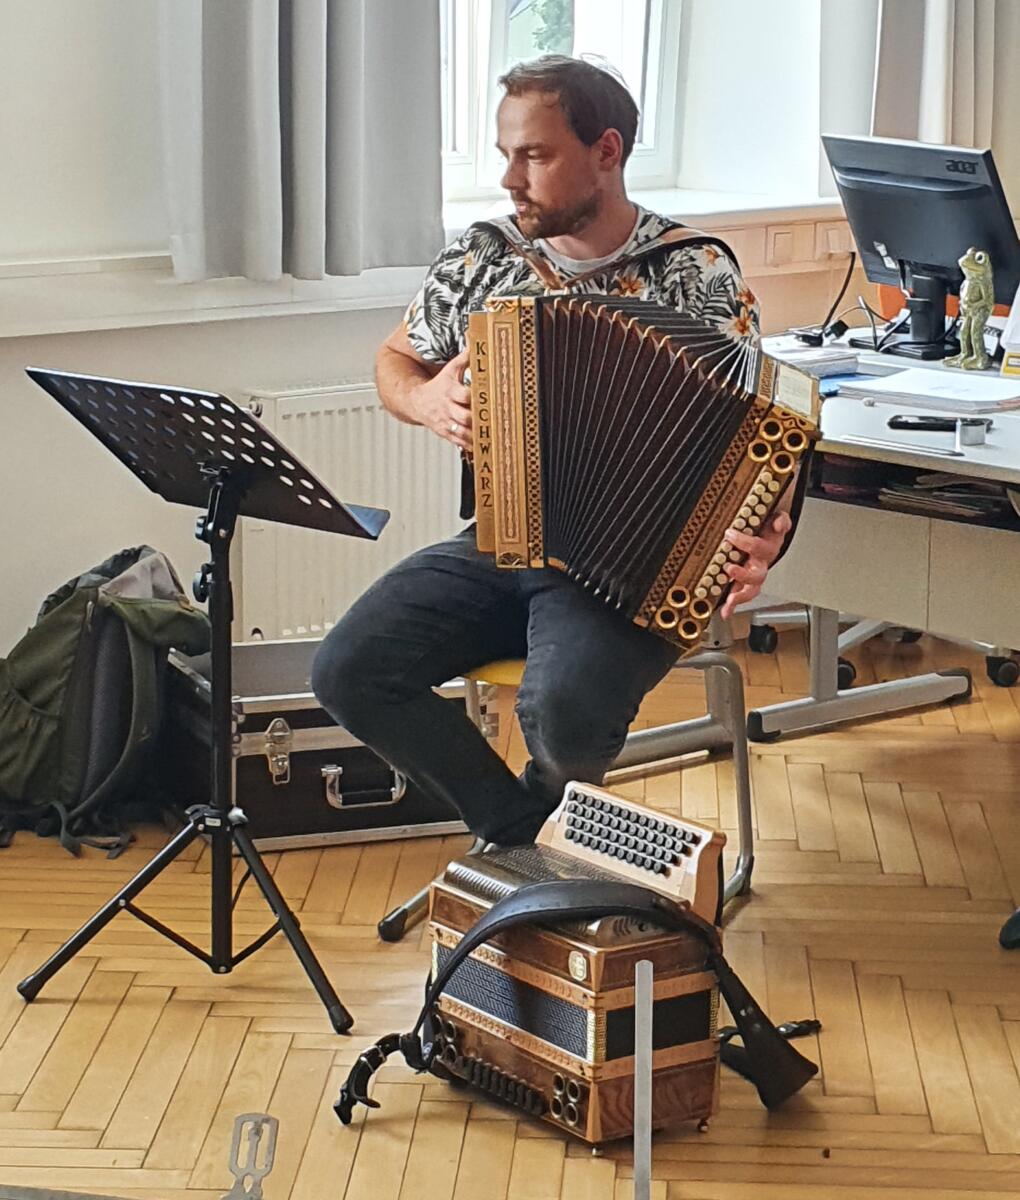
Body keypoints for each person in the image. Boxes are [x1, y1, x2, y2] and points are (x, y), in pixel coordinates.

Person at [312, 55, 792, 847]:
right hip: (502, 538)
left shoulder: (694, 273)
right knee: (348, 670)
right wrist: (426, 400)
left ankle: (537, 854)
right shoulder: (485, 258)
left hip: (638, 566)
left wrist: (766, 531)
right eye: (506, 154)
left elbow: (759, 436)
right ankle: (523, 841)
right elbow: (396, 359)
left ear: (607, 151)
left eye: (534, 156)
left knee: (563, 714)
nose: (510, 179)